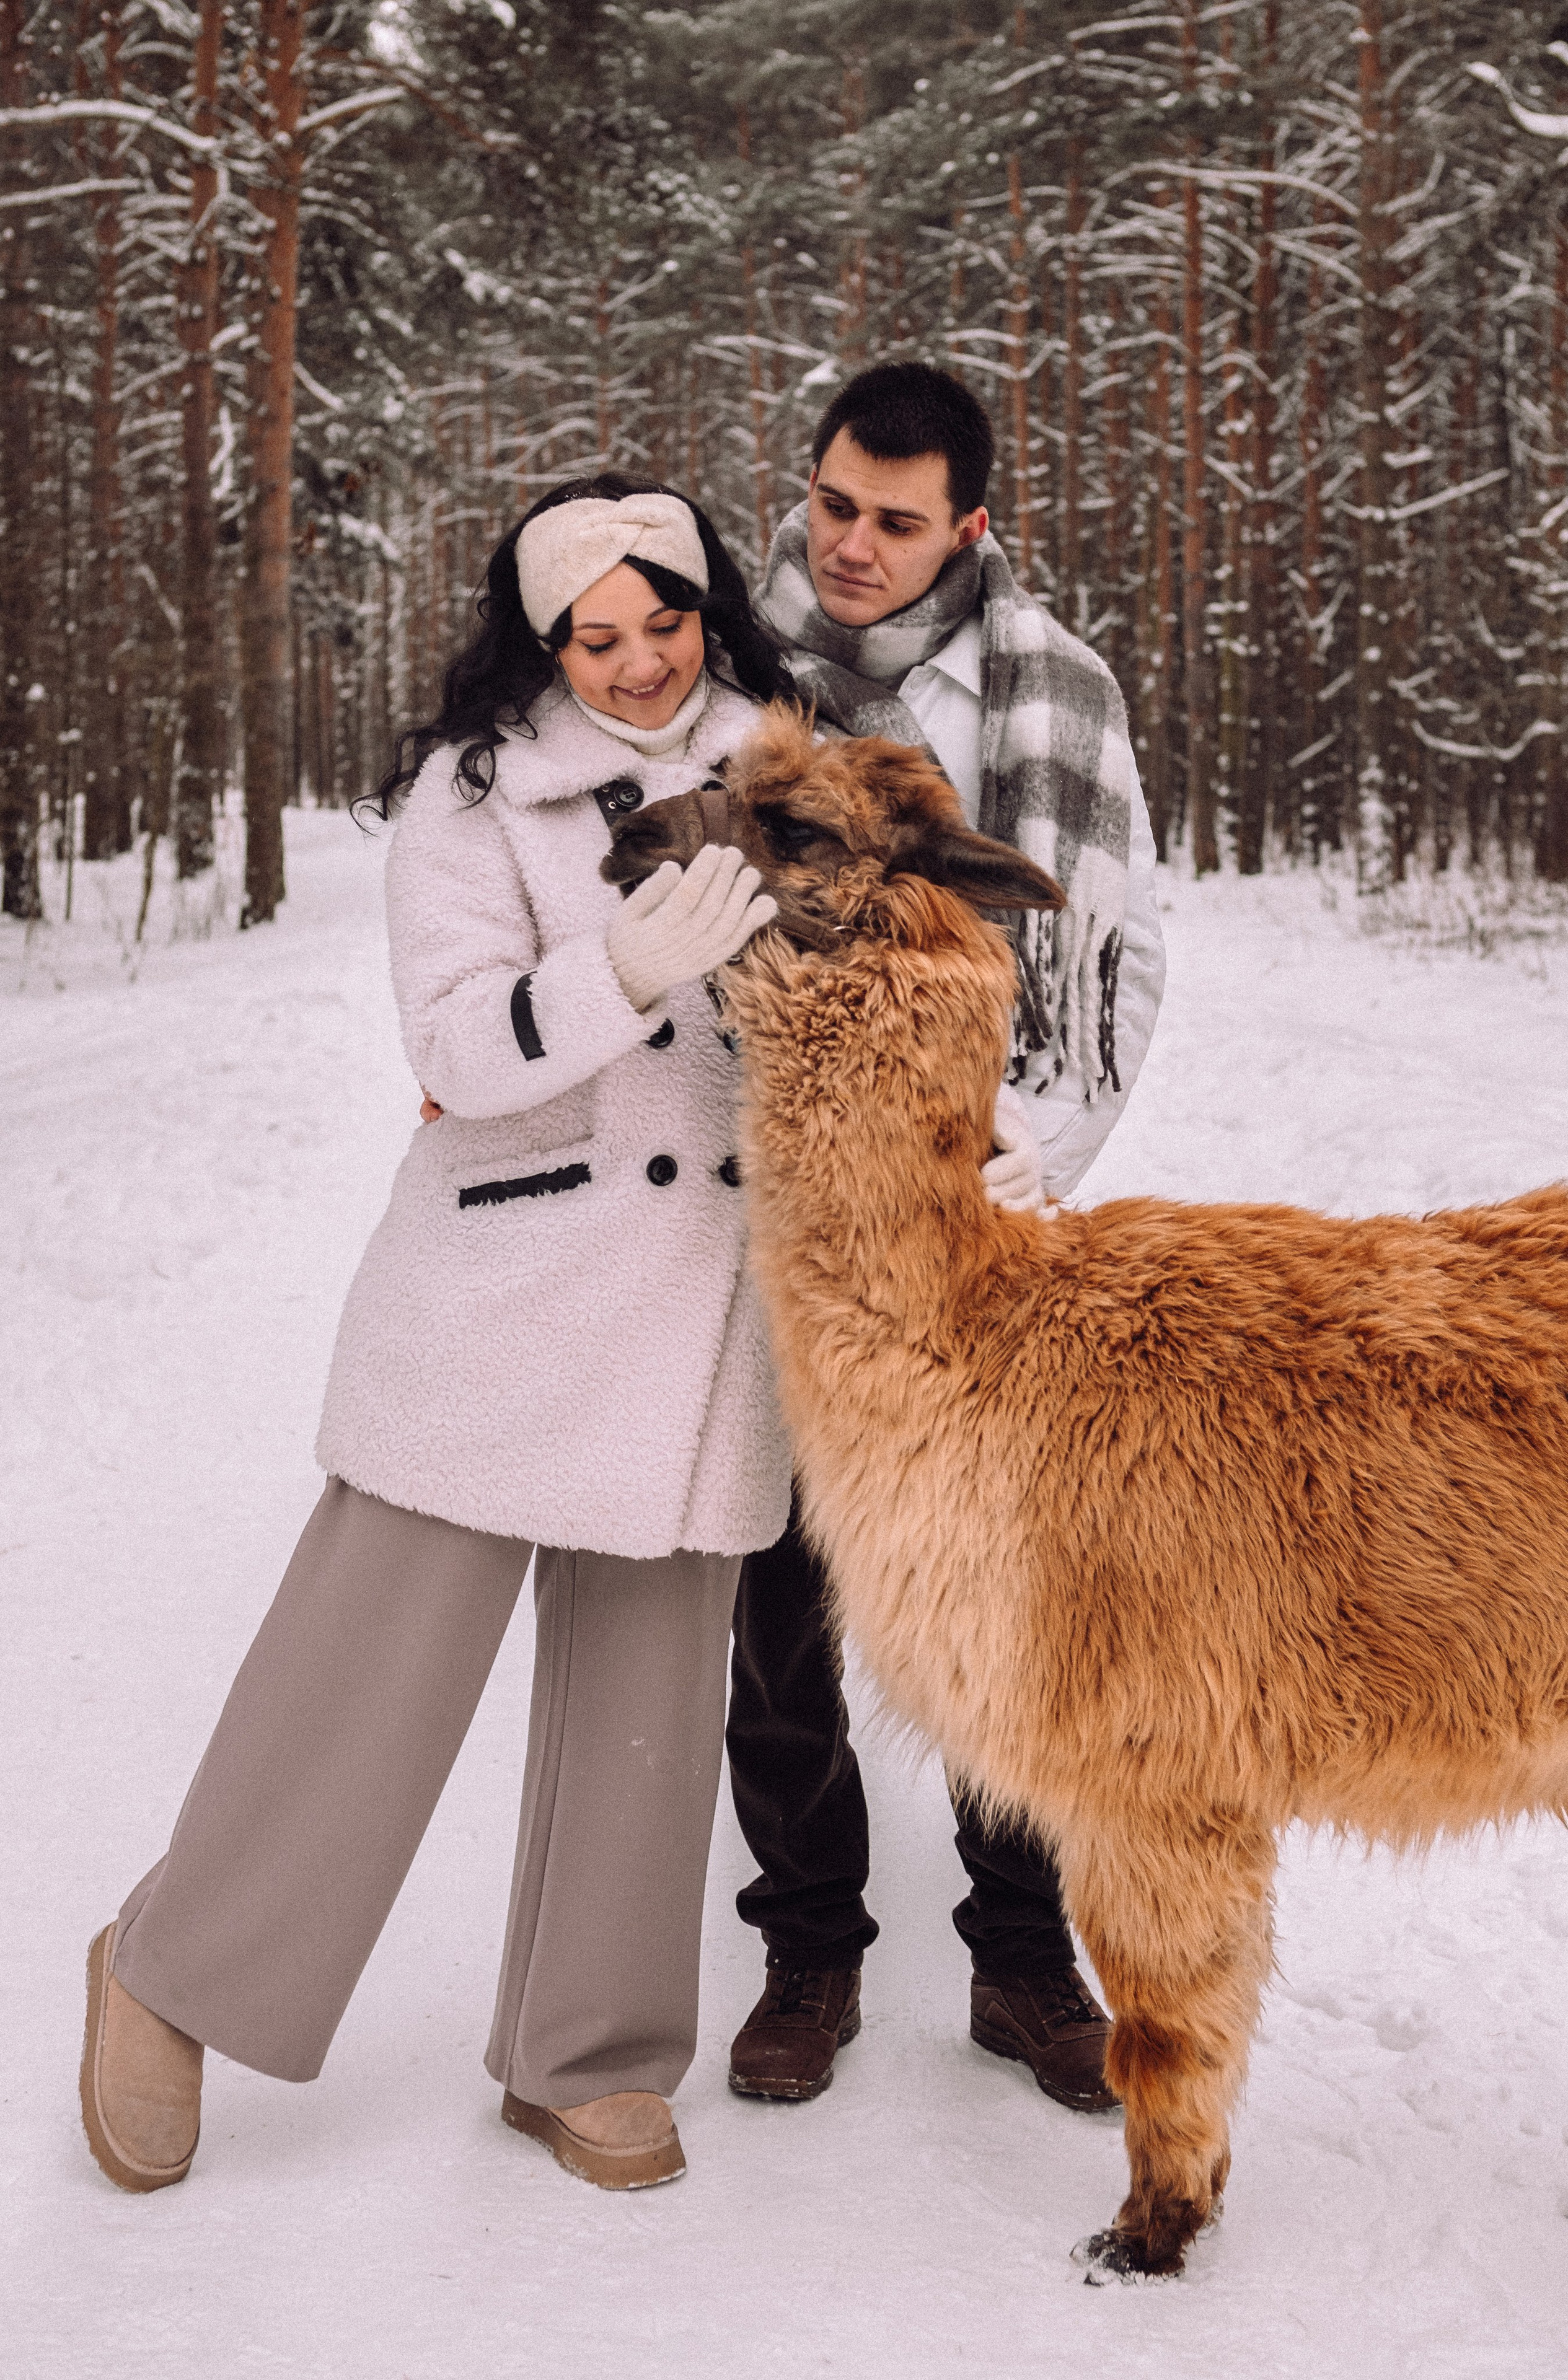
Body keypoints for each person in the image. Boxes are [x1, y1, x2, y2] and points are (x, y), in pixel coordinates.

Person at [79, 477, 795, 2198]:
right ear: (541, 641)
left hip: (713, 1288)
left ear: (712, 610)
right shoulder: (477, 797)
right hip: (508, 1277)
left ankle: (591, 2052)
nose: (634, 665)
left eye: (664, 625)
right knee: (367, 1675)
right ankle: (170, 1971)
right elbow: (458, 1050)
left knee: (651, 1683)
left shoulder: (795, 760)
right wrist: (615, 966)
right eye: (593, 639)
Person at [723, 364, 1166, 2113]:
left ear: (968, 525)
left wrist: (1024, 1166)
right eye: (835, 503)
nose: (850, 544)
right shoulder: (732, 670)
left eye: (896, 521)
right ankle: (810, 1942)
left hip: (983, 1225)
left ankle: (1021, 1951)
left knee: (1003, 1581)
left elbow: (1118, 954)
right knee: (779, 1581)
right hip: (777, 1211)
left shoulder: (1057, 694)